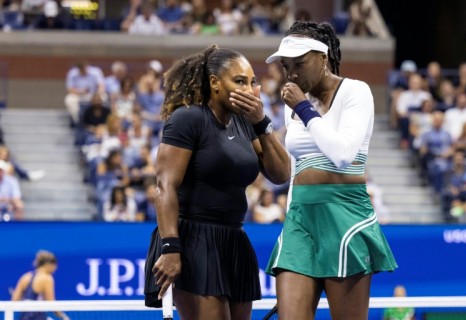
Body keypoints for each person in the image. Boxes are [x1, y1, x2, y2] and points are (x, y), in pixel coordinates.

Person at [143, 44, 290, 320]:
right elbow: (165, 187)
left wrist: (261, 122)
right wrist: (171, 247)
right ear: (215, 83)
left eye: (252, 82)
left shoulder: (246, 123)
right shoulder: (187, 119)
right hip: (192, 241)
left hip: (234, 239)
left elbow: (281, 173)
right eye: (239, 81)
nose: (248, 89)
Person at [263, 20, 398, 320]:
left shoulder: (356, 92)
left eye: (299, 63)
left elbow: (343, 155)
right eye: (286, 66)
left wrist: (304, 108)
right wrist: (290, 218)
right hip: (300, 220)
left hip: (345, 218)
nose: (292, 74)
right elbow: (297, 168)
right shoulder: (293, 104)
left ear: (323, 59)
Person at [11, 250, 69, 320]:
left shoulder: (25, 277)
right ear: (48, 264)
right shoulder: (47, 278)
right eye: (55, 266)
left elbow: (14, 300)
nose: (55, 269)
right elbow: (51, 303)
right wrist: (63, 316)